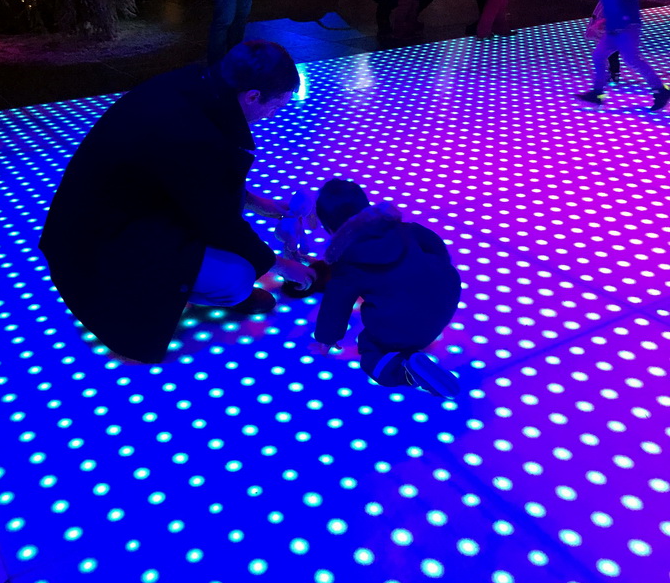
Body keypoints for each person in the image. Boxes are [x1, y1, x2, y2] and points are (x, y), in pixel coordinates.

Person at [39, 41, 315, 364]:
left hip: (107, 215)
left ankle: (191, 278)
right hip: (101, 247)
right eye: (275, 107)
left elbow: (195, 182)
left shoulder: (195, 86)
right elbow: (215, 217)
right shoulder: (190, 132)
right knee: (238, 279)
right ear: (251, 96)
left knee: (233, 244)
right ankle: (157, 295)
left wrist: (257, 202)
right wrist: (280, 265)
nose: (272, 116)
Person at [309, 179, 461, 397]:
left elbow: (336, 305)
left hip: (404, 326)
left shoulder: (347, 262)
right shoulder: (405, 228)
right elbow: (437, 247)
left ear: (329, 229)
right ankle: (414, 351)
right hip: (447, 298)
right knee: (406, 302)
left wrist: (326, 338)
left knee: (370, 348)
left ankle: (405, 371)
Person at [577, 0, 669, 111]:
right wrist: (601, 21)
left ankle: (660, 90)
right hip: (613, 27)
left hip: (628, 27)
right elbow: (610, 5)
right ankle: (597, 93)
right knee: (598, 55)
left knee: (632, 59)